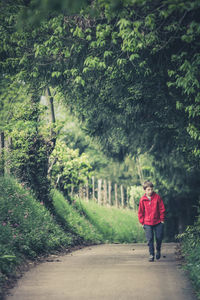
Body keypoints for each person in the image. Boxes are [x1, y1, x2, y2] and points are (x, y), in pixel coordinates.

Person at [138, 180, 165, 262]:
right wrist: (142, 222)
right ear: (145, 190)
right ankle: (151, 254)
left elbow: (162, 208)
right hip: (147, 222)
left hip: (158, 222)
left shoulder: (157, 197)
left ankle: (158, 250)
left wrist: (162, 219)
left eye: (151, 189)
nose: (150, 191)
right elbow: (140, 212)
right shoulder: (142, 200)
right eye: (148, 190)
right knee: (150, 239)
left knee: (159, 237)